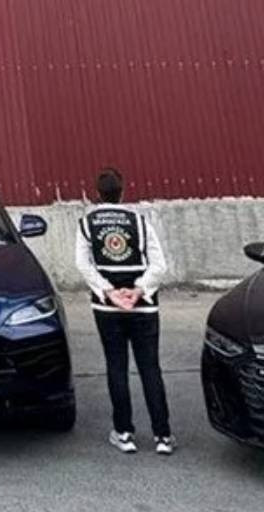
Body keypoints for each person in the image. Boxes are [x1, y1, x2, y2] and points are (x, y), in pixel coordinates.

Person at [75, 168, 174, 455]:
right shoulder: (139, 221)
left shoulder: (86, 223)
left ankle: (124, 433)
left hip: (107, 308)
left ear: (97, 193)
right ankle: (163, 436)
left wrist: (109, 292)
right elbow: (159, 265)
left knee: (116, 367)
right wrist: (139, 290)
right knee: (150, 368)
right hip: (143, 307)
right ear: (123, 191)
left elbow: (83, 264)